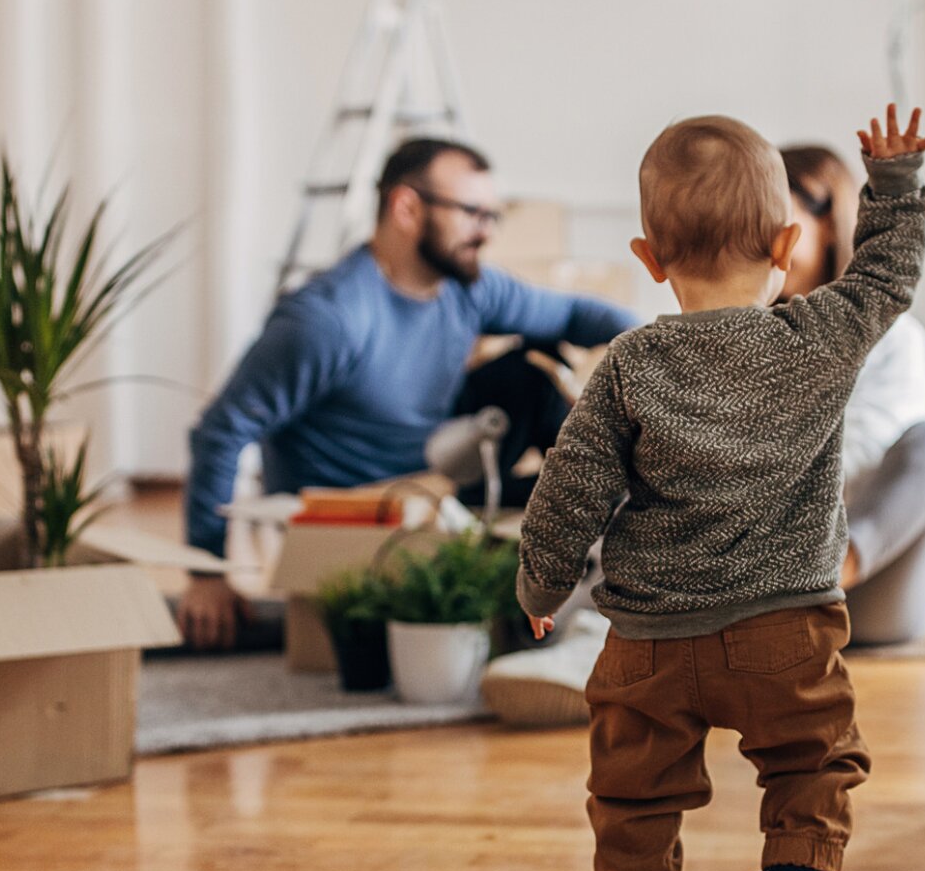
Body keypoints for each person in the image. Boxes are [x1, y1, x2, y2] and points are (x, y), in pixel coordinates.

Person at [516, 106, 925, 871]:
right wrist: (892, 185)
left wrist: (541, 582)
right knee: (812, 758)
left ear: (649, 258)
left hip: (648, 641)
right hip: (785, 628)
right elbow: (886, 279)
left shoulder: (631, 364)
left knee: (632, 790)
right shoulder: (816, 336)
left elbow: (569, 486)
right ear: (787, 243)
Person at [178, 138, 641, 649]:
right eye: (471, 213)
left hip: (436, 487)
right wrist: (208, 573)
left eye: (492, 216)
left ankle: (643, 564)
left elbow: (578, 315)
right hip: (361, 518)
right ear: (406, 207)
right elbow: (221, 430)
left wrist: (657, 352)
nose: (485, 233)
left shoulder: (467, 288)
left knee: (530, 382)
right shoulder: (328, 319)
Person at [780, 143, 925, 647]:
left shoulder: (895, 338)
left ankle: (818, 580)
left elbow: (867, 448)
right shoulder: (752, 338)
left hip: (873, 583)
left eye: (777, 218)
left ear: (825, 221)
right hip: (766, 579)